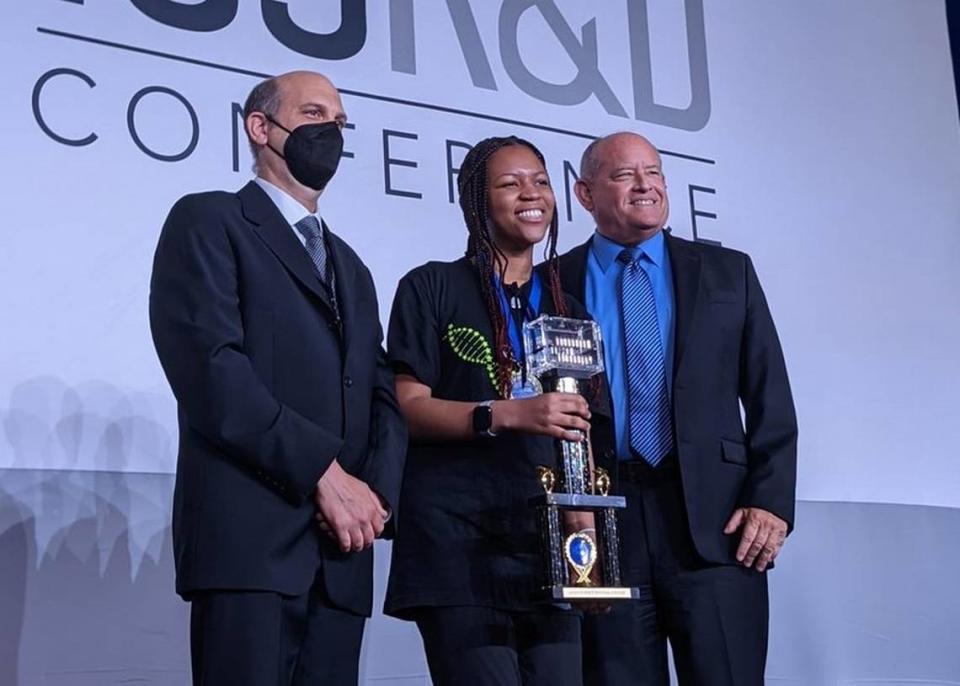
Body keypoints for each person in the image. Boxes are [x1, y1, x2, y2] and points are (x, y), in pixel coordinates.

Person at [148, 71, 406, 686]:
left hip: (343, 551)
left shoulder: (353, 266)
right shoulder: (210, 221)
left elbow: (380, 393)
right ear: (260, 127)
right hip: (250, 548)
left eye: (339, 122)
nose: (331, 133)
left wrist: (374, 499)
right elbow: (212, 370)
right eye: (314, 113)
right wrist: (325, 474)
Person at [555, 132, 798, 685]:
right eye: (624, 175)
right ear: (585, 194)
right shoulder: (555, 280)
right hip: (601, 522)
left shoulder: (727, 272)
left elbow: (771, 399)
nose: (645, 185)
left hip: (718, 525)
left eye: (654, 173)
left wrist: (771, 502)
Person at [384, 135, 614, 686]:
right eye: (510, 183)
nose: (530, 193)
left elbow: (577, 433)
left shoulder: (569, 309)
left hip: (545, 552)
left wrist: (584, 548)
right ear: (476, 202)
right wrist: (506, 414)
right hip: (458, 548)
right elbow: (407, 408)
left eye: (539, 181)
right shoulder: (431, 287)